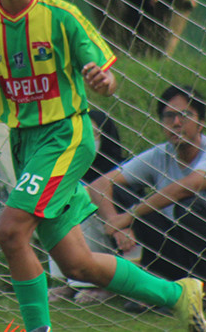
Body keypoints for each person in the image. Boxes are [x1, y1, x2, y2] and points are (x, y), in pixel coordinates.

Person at [0, 0, 206, 332]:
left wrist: (104, 79)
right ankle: (179, 295)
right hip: (25, 143)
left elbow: (105, 76)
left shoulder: (62, 16)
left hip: (66, 135)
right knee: (76, 264)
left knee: (10, 231)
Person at [89, 84, 206, 310]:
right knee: (134, 201)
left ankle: (204, 292)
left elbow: (186, 187)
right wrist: (116, 224)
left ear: (201, 123)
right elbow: (99, 184)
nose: (176, 123)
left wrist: (130, 215)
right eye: (169, 116)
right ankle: (158, 288)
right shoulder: (160, 154)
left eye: (185, 115)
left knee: (186, 205)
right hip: (180, 247)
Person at [47, 109, 135, 304]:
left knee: (84, 205)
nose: (86, 139)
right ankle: (67, 281)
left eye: (93, 134)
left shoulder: (122, 169)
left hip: (120, 236)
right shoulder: (69, 169)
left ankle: (99, 283)